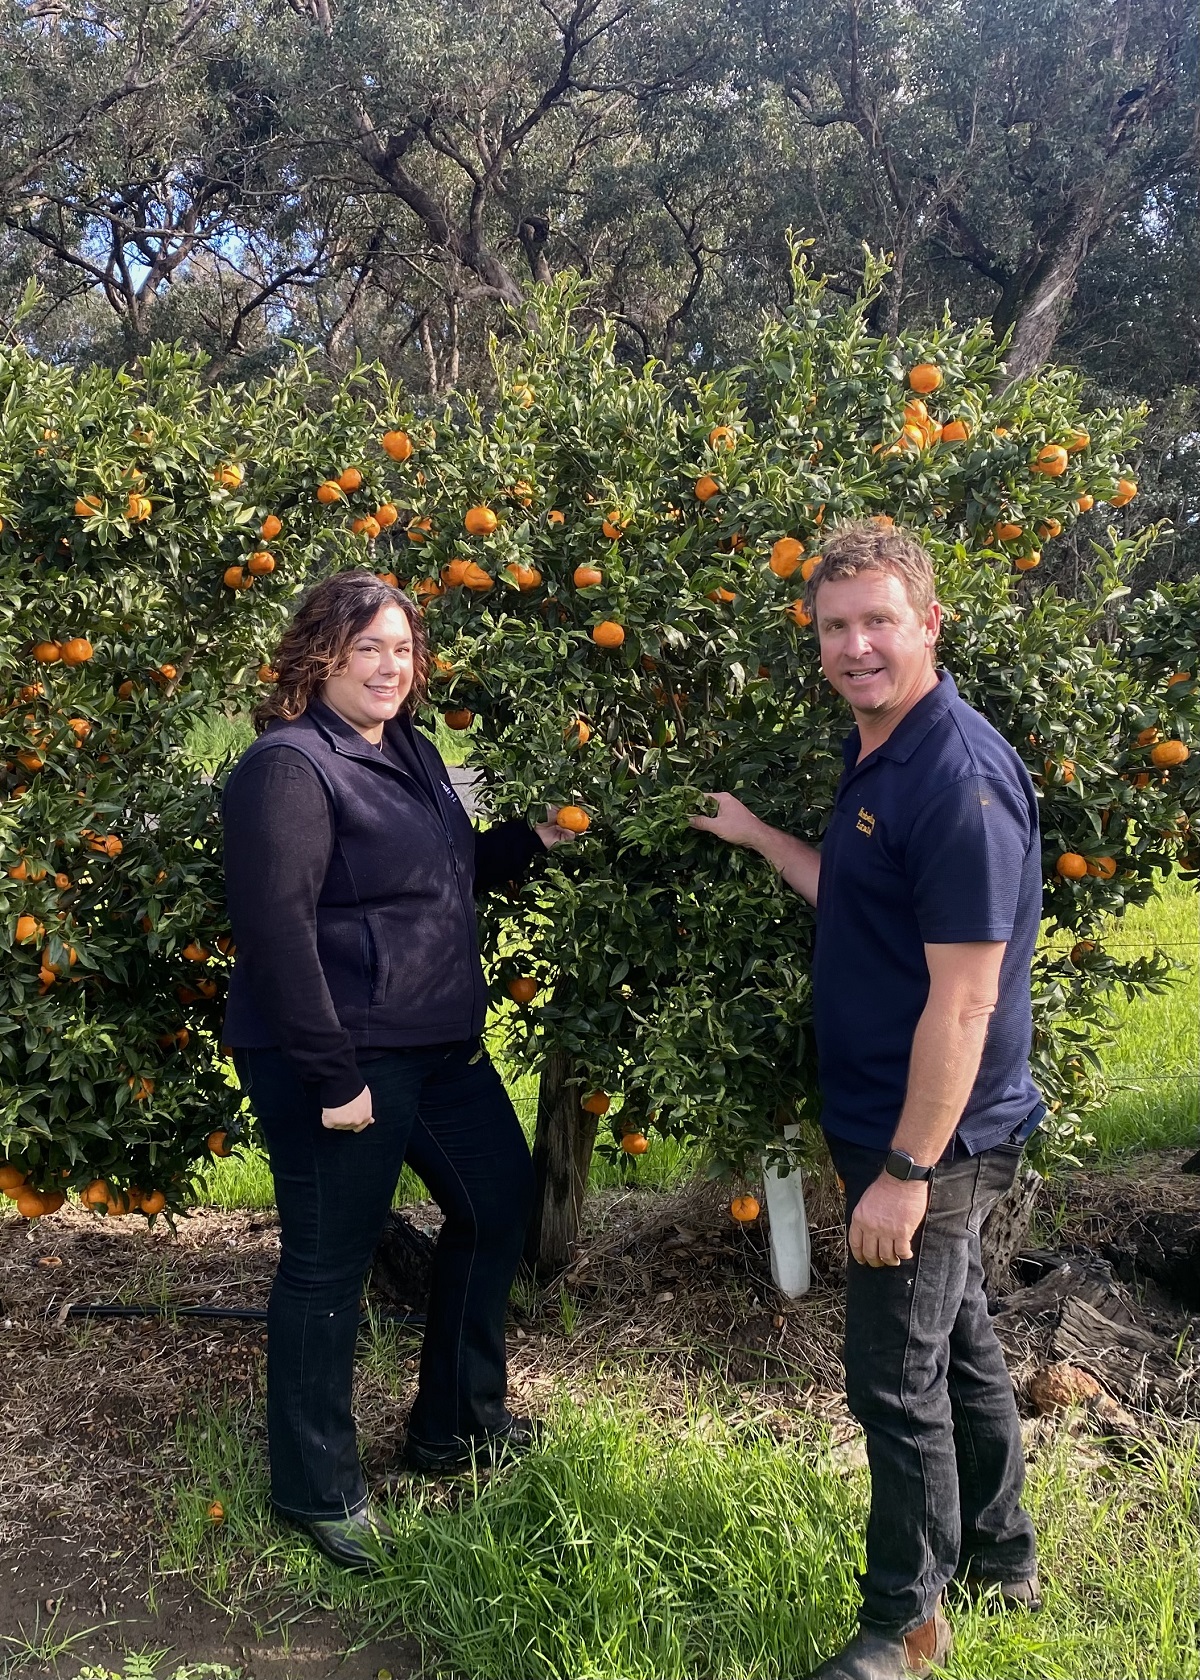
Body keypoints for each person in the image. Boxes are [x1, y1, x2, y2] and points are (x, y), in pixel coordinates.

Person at [691, 522, 1042, 1680]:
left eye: (878, 621)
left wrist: (903, 1174)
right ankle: (1003, 1558)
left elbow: (965, 1002)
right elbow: (859, 893)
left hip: (930, 1139)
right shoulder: (885, 750)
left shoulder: (959, 777)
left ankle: (904, 1625)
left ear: (929, 623)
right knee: (964, 1348)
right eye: (835, 627)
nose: (855, 646)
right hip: (892, 1124)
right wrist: (755, 837)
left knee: (892, 1381)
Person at [221, 569, 573, 1570]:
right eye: (367, 646)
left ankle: (455, 1426)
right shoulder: (290, 769)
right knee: (327, 1265)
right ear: (319, 656)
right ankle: (315, 1489)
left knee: (498, 1207)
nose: (388, 665)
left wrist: (539, 838)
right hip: (337, 1054)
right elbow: (278, 934)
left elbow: (448, 868)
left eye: (402, 648)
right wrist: (333, 1081)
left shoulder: (408, 749)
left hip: (436, 1044)